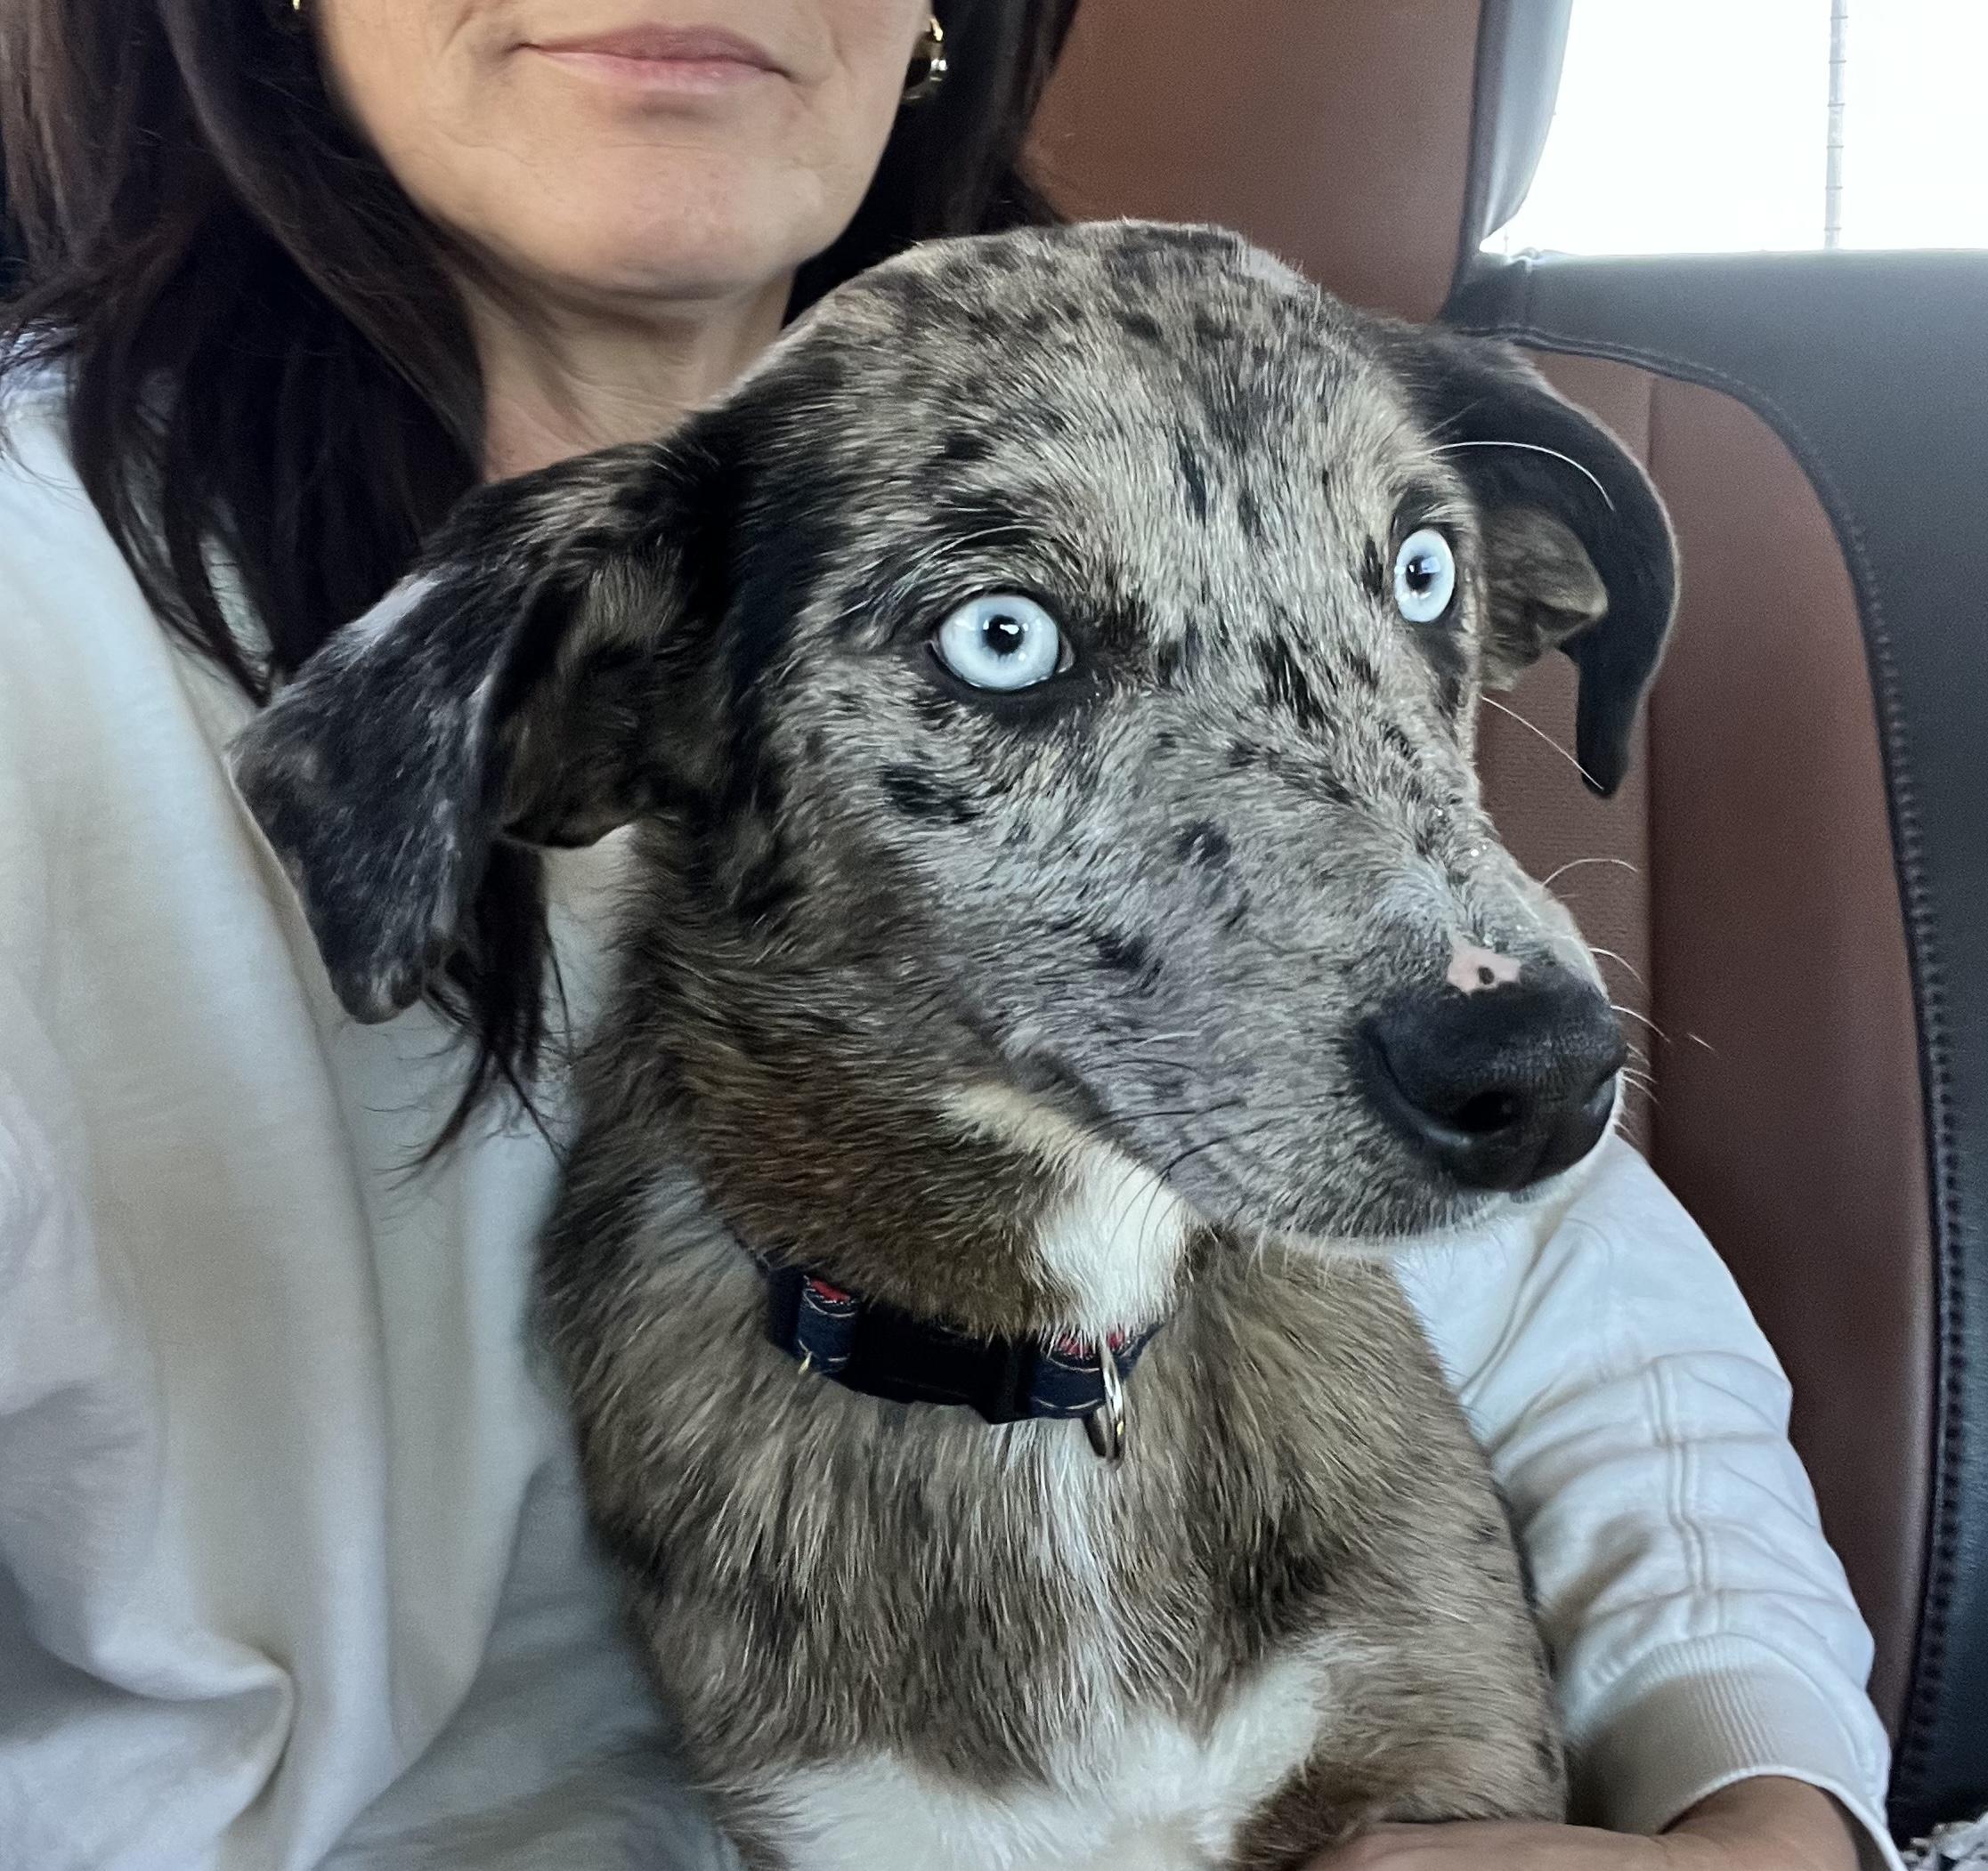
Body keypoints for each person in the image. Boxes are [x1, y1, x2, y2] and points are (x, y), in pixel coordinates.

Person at [0, 4, 1900, 1867]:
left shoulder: (1182, 369)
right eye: (1011, 636)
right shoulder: (39, 642)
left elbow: (1571, 1291)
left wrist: (1759, 1810)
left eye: (1407, 574)